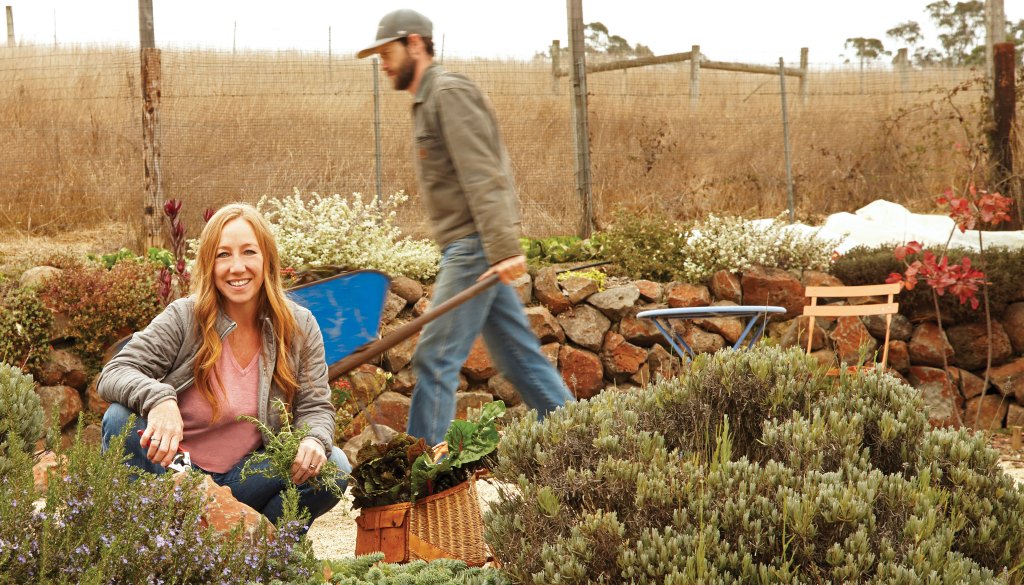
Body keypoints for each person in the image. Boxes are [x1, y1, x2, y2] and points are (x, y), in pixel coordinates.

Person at [357, 9, 575, 446]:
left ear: (414, 43)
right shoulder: (426, 101)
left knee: (436, 357)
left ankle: (422, 474)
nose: (382, 63)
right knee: (517, 356)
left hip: (474, 246)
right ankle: (583, 440)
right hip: (469, 245)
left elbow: (483, 173)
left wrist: (501, 246)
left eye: (387, 52)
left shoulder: (448, 93)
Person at [98, 203, 349, 530]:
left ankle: (262, 554)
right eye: (223, 255)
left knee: (335, 466)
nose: (237, 267)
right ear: (208, 264)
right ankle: (152, 543)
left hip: (246, 477)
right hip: (176, 472)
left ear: (267, 260)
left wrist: (314, 440)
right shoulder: (184, 317)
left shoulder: (298, 326)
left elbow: (316, 406)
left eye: (248, 252)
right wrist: (159, 399)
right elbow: (115, 373)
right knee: (119, 419)